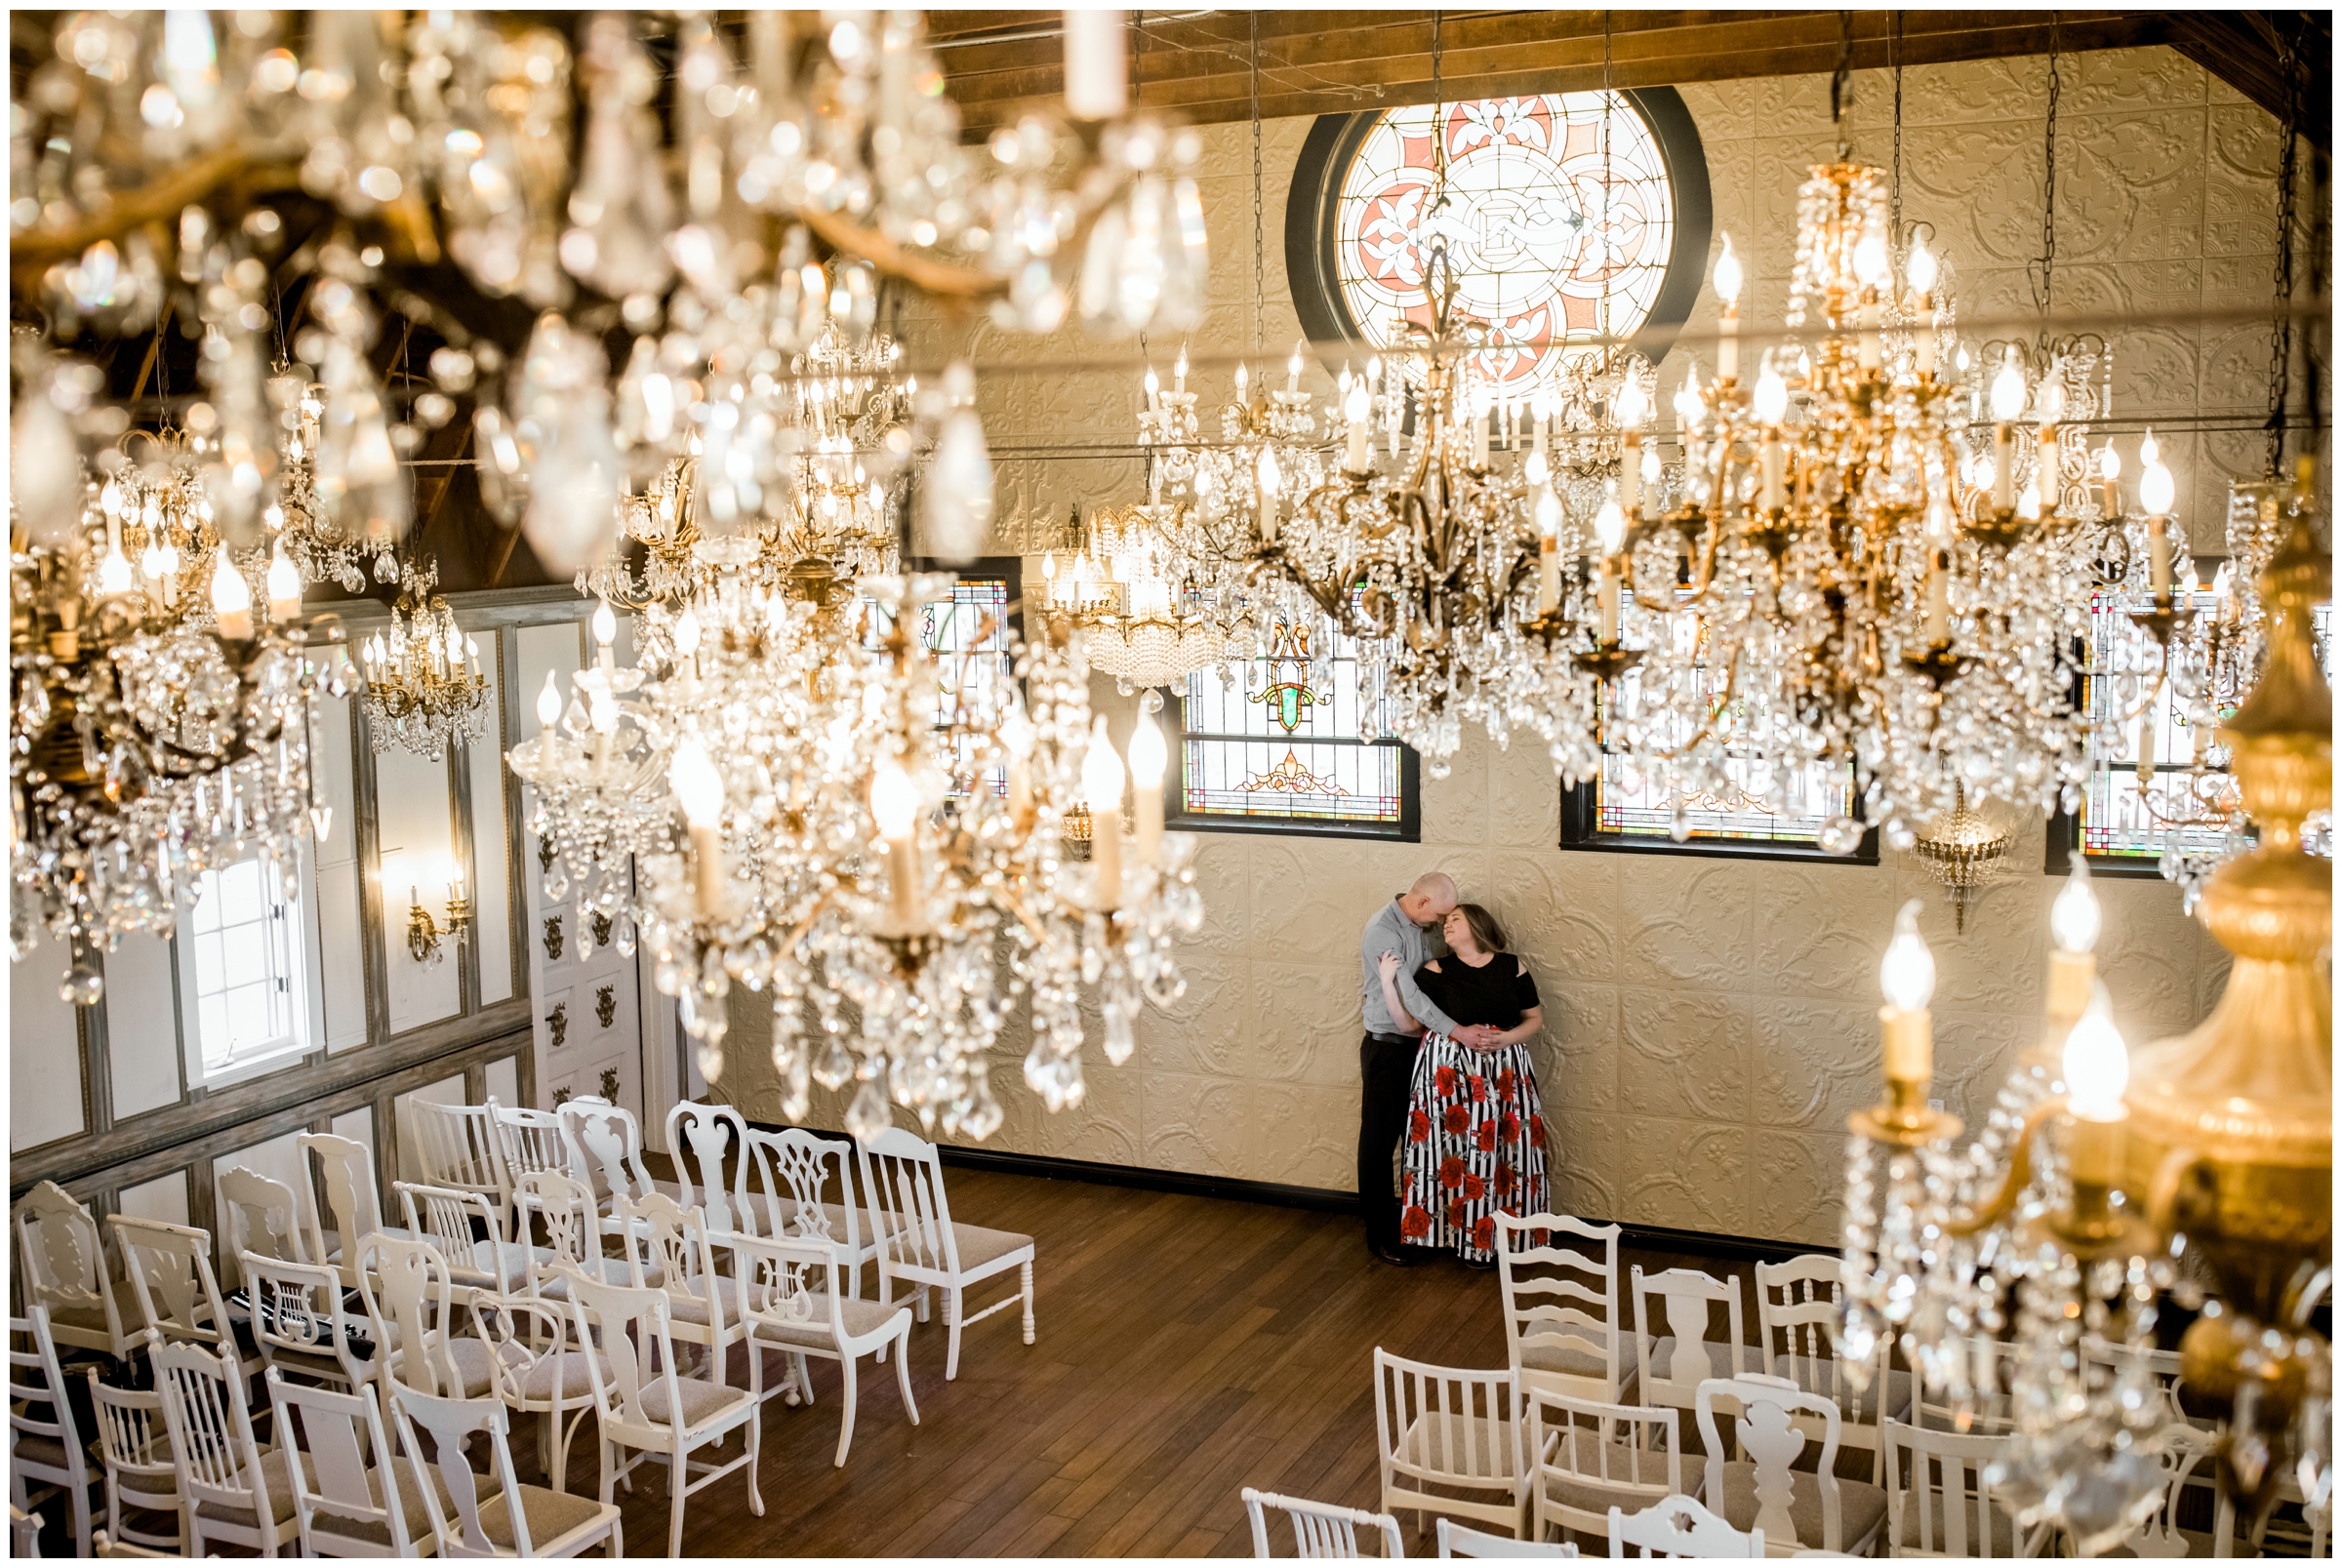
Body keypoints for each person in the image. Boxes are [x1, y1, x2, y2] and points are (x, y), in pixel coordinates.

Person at [1378, 902, 1548, 1268]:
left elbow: (1534, 1018)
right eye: (1445, 922)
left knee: (1502, 1151)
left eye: (1455, 920)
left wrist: (1508, 1039)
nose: (1446, 927)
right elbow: (1410, 1025)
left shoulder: (1511, 966)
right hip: (1447, 1075)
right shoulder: (1435, 970)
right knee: (1447, 1151)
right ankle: (1447, 1237)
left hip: (1504, 1072)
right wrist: (1387, 984)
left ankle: (1495, 1240)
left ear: (1478, 924)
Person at [1356, 872, 1500, 1266]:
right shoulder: (1382, 933)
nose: (1442, 924)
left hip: (1424, 1046)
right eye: (1438, 916)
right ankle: (1380, 1236)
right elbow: (1411, 996)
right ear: (1421, 904)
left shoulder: (1425, 925)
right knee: (1379, 1144)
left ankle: (1419, 1230)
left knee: (1421, 1141)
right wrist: (1458, 1032)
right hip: (1389, 1049)